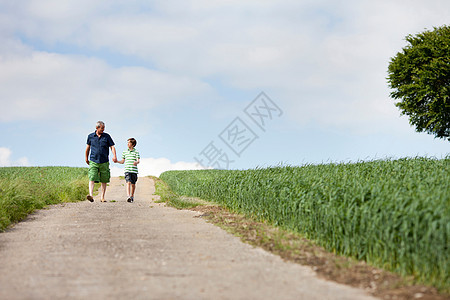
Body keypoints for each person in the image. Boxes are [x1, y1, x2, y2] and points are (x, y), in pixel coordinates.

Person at [85, 121, 117, 202]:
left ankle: (102, 197)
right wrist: (86, 158)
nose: (103, 130)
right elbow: (88, 148)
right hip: (93, 160)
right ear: (97, 128)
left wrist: (114, 156)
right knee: (92, 177)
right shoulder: (90, 136)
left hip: (104, 161)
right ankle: (91, 195)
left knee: (104, 179)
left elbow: (112, 147)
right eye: (102, 128)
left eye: (104, 128)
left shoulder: (107, 136)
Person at [115, 138, 140, 202]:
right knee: (128, 182)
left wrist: (136, 162)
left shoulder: (136, 152)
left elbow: (138, 160)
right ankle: (128, 196)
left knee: (133, 184)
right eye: (127, 142)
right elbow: (123, 161)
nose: (128, 144)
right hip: (127, 170)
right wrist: (117, 161)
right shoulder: (125, 152)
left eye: (129, 143)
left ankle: (132, 196)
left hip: (134, 171)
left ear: (133, 144)